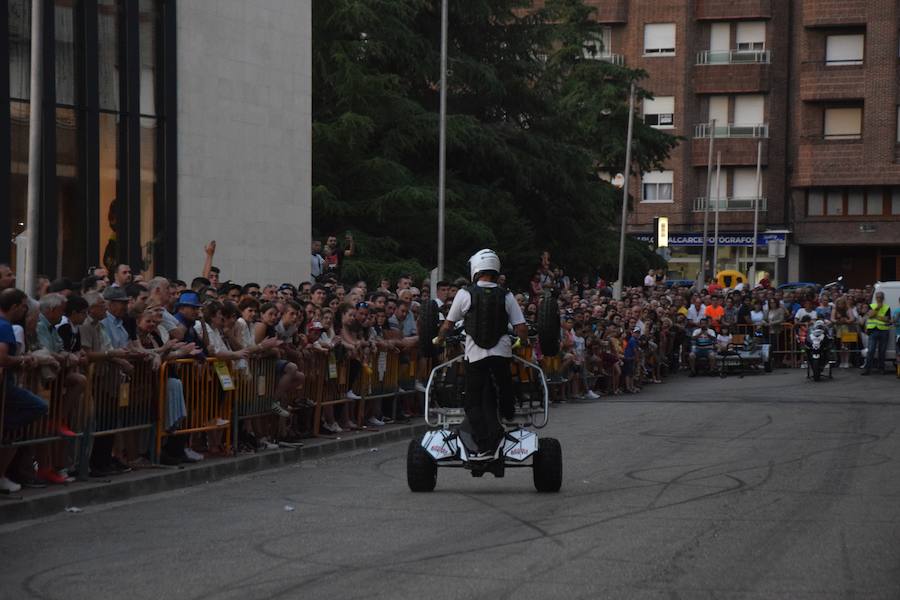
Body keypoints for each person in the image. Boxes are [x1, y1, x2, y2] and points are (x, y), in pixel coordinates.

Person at [434, 249, 527, 460]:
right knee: (505, 387)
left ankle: (484, 445)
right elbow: (520, 327)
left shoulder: (465, 293)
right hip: (501, 352)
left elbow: (448, 325)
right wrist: (522, 342)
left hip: (475, 355)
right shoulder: (507, 295)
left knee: (472, 402)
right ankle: (508, 412)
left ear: (476, 269)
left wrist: (438, 339)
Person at [862, 291, 891, 375]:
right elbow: (870, 315)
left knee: (882, 351)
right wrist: (878, 308)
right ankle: (867, 369)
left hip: (884, 331)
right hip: (873, 331)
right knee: (870, 350)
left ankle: (881, 368)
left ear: (883, 298)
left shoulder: (887, 307)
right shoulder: (872, 306)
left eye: (881, 297)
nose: (879, 299)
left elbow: (887, 319)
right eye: (878, 297)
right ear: (875, 298)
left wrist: (876, 316)